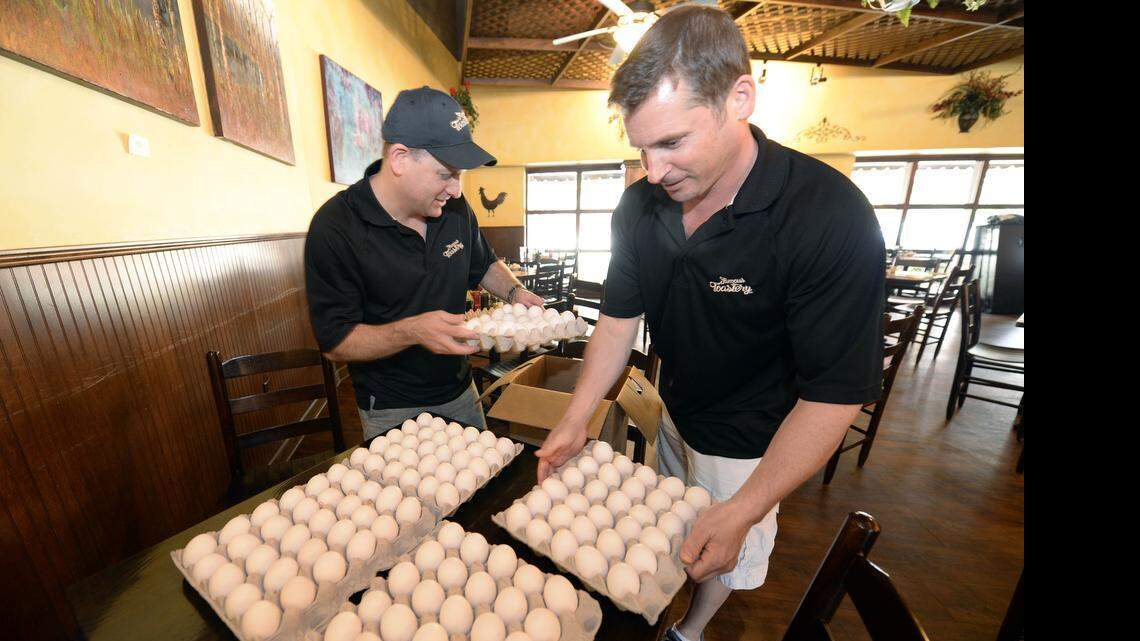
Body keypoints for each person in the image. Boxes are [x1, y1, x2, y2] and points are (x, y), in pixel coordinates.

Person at [533, 7, 885, 641]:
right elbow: (617, 322)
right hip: (674, 409)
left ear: (739, 99)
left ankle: (691, 630)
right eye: (641, 148)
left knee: (722, 544)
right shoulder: (640, 207)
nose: (654, 171)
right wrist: (576, 418)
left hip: (751, 442)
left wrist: (746, 508)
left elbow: (833, 397)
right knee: (678, 528)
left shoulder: (827, 216)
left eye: (672, 142)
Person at [305, 86, 544, 439]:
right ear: (400, 159)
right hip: (391, 407)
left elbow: (483, 264)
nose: (457, 190)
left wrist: (515, 292)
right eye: (446, 174)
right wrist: (413, 330)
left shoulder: (455, 208)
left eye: (460, 176)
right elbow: (336, 342)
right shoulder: (336, 227)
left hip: (461, 391)